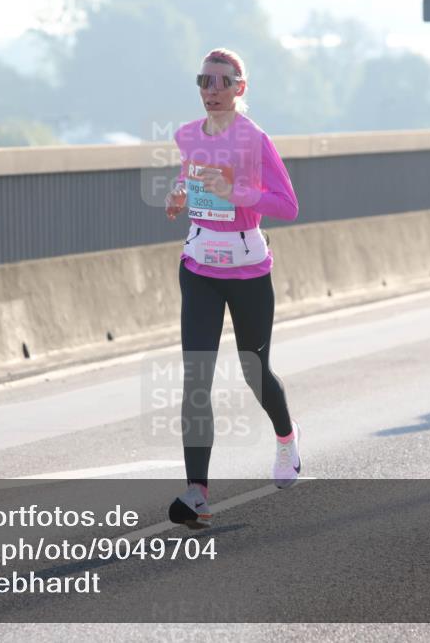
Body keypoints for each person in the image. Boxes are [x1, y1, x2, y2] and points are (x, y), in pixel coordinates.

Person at [164, 47, 301, 529]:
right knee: (196, 378)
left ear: (240, 88)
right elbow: (191, 179)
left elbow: (287, 205)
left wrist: (237, 194)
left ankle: (286, 438)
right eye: (205, 81)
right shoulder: (186, 135)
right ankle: (197, 491)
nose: (213, 90)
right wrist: (179, 195)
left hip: (248, 271)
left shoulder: (254, 139)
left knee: (254, 370)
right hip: (200, 266)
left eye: (223, 82)